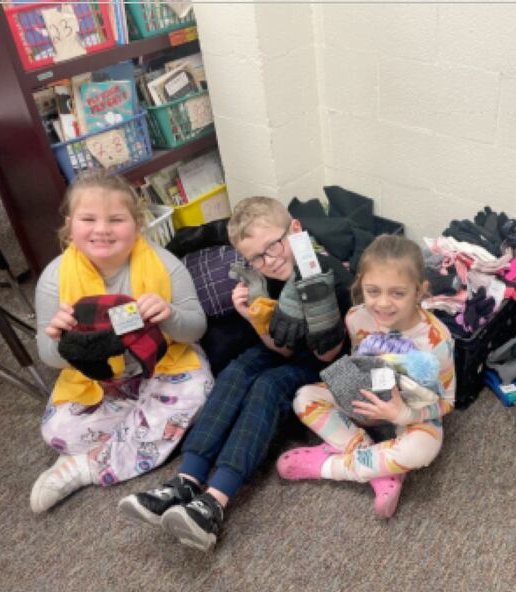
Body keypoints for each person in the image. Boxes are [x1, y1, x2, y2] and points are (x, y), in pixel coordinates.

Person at [118, 196, 353, 551]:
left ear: (296, 230)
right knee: (238, 369)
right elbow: (281, 348)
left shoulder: (328, 273)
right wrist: (253, 318)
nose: (269, 262)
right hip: (290, 351)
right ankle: (185, 479)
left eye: (273, 246)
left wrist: (319, 318)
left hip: (325, 364)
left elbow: (328, 355)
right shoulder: (265, 276)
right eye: (255, 257)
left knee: (267, 385)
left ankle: (214, 502)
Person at [31, 170, 213, 514]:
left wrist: (169, 313)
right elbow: (49, 358)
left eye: (116, 219)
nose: (102, 229)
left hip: (163, 363)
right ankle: (145, 427)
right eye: (88, 219)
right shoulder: (55, 279)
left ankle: (85, 467)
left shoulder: (163, 264)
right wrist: (57, 338)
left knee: (198, 388)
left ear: (137, 224)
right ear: (70, 226)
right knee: (57, 431)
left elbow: (195, 330)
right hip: (98, 378)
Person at [276, 235, 456, 518]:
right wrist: (351, 393)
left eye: (398, 293)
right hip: (364, 401)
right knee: (304, 398)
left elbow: (446, 402)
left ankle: (330, 467)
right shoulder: (355, 318)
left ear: (420, 291)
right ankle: (381, 471)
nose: (383, 304)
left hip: (411, 410)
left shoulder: (437, 341)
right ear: (360, 285)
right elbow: (356, 364)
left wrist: (402, 414)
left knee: (423, 449)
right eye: (373, 291)